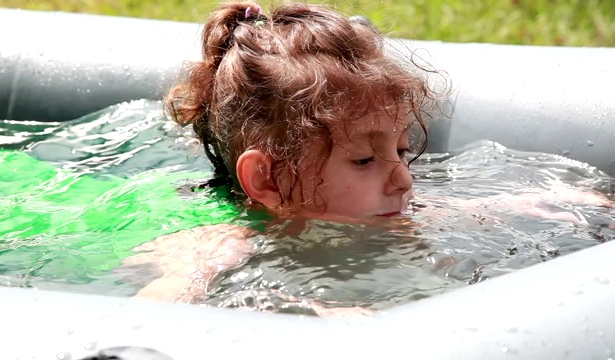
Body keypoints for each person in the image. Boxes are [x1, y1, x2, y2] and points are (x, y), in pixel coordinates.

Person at [122, 1, 613, 315]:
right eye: (363, 160)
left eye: (401, 152)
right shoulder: (218, 246)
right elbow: (157, 321)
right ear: (266, 181)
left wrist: (543, 203)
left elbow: (460, 212)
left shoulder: (372, 210)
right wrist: (310, 306)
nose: (403, 182)